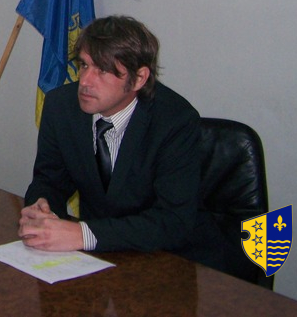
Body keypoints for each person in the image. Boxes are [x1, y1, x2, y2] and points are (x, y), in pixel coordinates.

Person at [19, 15, 224, 269]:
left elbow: (173, 221)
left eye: (102, 70)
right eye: (84, 65)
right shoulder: (61, 107)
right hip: (99, 259)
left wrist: (83, 234)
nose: (85, 81)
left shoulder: (174, 121)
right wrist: (41, 207)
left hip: (168, 260)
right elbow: (49, 180)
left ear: (138, 78)